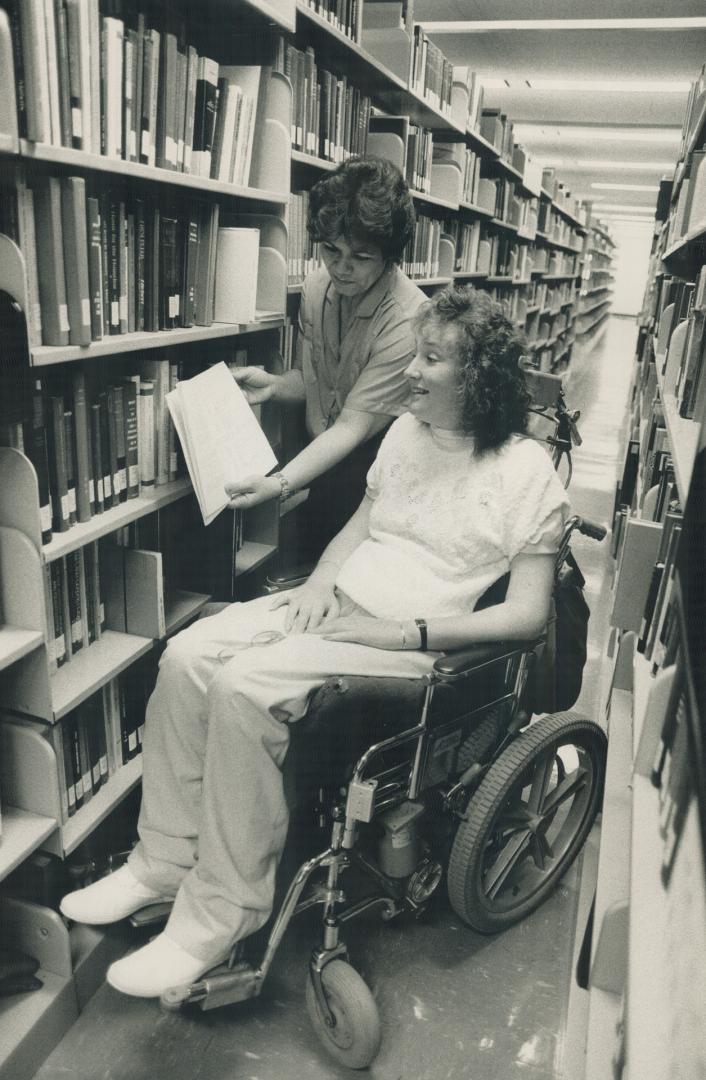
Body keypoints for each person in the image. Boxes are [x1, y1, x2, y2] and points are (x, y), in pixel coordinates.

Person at [60, 285, 571, 998]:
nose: (411, 372)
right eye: (415, 354)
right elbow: (363, 525)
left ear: (478, 378)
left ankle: (223, 912)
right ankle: (163, 863)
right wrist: (320, 581)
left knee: (243, 688)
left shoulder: (526, 473)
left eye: (430, 359)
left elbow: (527, 617)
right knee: (188, 656)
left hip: (411, 646)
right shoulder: (404, 433)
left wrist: (401, 631)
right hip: (339, 606)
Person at [227, 155, 426, 561]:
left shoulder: (408, 320)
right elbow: (321, 380)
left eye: (361, 257)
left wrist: (279, 484)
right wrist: (277, 386)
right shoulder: (316, 287)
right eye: (330, 250)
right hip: (322, 462)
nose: (341, 267)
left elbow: (354, 425)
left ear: (389, 255)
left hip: (377, 477)